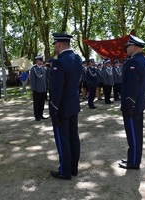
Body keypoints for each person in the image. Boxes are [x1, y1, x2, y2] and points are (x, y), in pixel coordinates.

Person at [50, 33, 82, 180]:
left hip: (62, 107)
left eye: (55, 45)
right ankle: (74, 168)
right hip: (74, 105)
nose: (55, 48)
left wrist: (53, 109)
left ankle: (65, 170)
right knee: (73, 137)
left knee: (63, 139)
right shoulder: (77, 59)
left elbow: (56, 90)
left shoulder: (59, 63)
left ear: (59, 45)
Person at [118, 35, 145, 170]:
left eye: (128, 46)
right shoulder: (143, 60)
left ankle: (134, 162)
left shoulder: (134, 62)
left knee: (133, 134)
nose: (126, 48)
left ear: (135, 47)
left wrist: (129, 104)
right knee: (136, 133)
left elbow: (132, 86)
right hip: (138, 102)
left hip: (132, 104)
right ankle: (133, 158)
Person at [30, 55, 48, 121]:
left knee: (42, 103)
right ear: (38, 61)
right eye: (41, 60)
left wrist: (45, 88)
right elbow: (32, 80)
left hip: (43, 89)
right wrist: (34, 89)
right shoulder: (34, 69)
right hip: (37, 89)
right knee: (37, 103)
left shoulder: (43, 68)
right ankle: (37, 116)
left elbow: (44, 79)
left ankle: (41, 115)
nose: (42, 62)